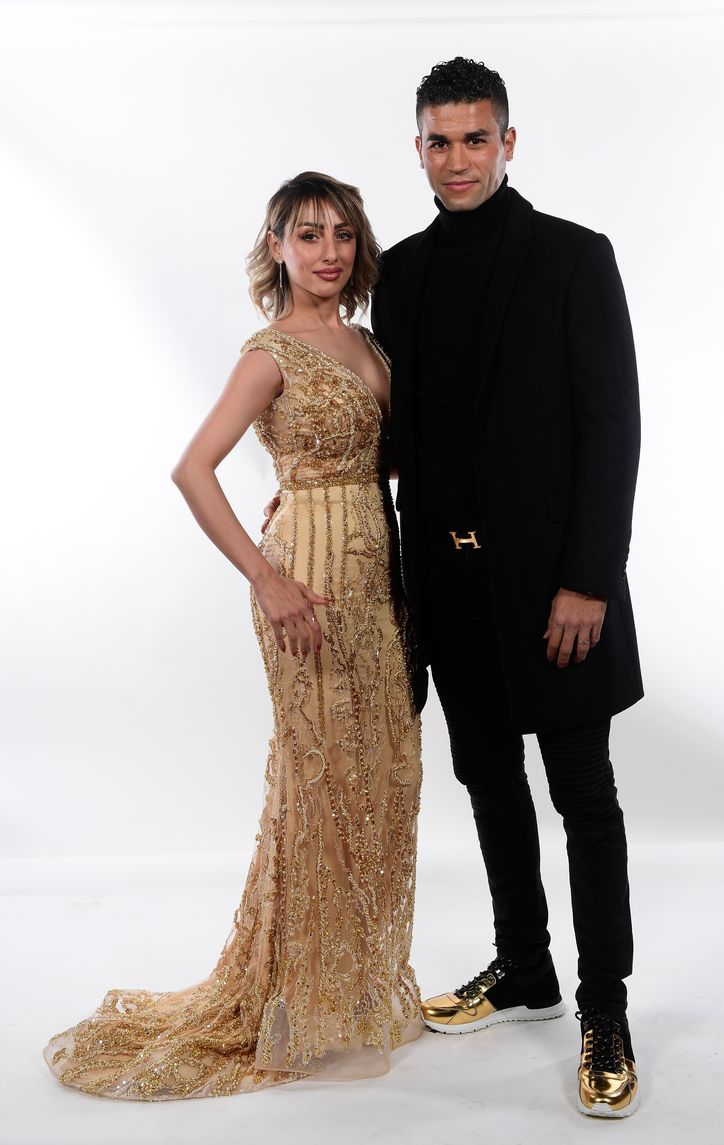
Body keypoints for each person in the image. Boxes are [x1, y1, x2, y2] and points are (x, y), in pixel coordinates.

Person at [43, 171, 423, 1100]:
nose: (327, 251)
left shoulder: (369, 342)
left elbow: (377, 458)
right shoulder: (270, 352)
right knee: (320, 778)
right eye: (307, 234)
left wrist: (326, 484)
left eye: (341, 233)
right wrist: (268, 573)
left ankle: (350, 988)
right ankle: (296, 1000)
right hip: (307, 586)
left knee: (382, 774)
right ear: (277, 248)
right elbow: (193, 468)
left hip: (377, 574)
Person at [370, 58, 643, 1118]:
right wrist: (314, 484)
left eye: (474, 138)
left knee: (584, 796)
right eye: (438, 142)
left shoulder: (575, 257)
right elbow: (409, 429)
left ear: (508, 143)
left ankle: (604, 1007)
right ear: (419, 150)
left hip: (552, 590)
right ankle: (524, 964)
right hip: (447, 583)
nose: (457, 159)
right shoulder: (401, 273)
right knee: (487, 779)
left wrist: (588, 580)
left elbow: (610, 429)